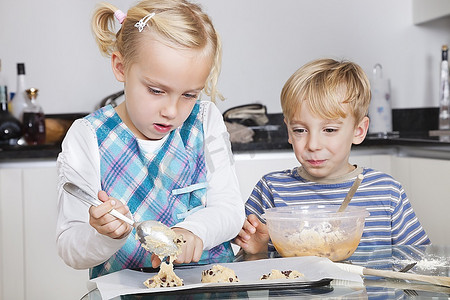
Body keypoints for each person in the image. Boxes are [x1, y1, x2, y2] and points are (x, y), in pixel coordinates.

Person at [56, 0, 245, 278]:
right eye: (156, 90)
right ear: (121, 67)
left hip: (212, 288)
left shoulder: (205, 121)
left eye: (189, 95)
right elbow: (69, 247)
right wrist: (105, 236)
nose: (171, 111)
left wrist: (193, 231)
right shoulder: (89, 136)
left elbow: (229, 210)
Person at [234, 58, 430, 254]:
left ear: (358, 131)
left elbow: (419, 261)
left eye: (329, 129)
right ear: (288, 131)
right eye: (300, 130)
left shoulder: (387, 192)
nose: (313, 145)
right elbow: (249, 272)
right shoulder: (271, 190)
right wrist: (256, 253)